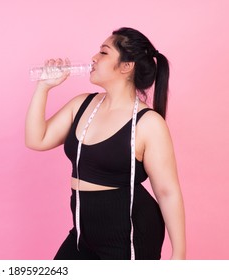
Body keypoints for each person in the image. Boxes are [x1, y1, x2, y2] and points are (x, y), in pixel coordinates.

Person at [25, 27, 186, 260]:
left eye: (103, 52)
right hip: (82, 234)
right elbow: (36, 140)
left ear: (126, 66)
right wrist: (43, 87)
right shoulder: (81, 104)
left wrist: (179, 256)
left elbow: (167, 192)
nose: (93, 58)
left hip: (128, 237)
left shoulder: (148, 123)